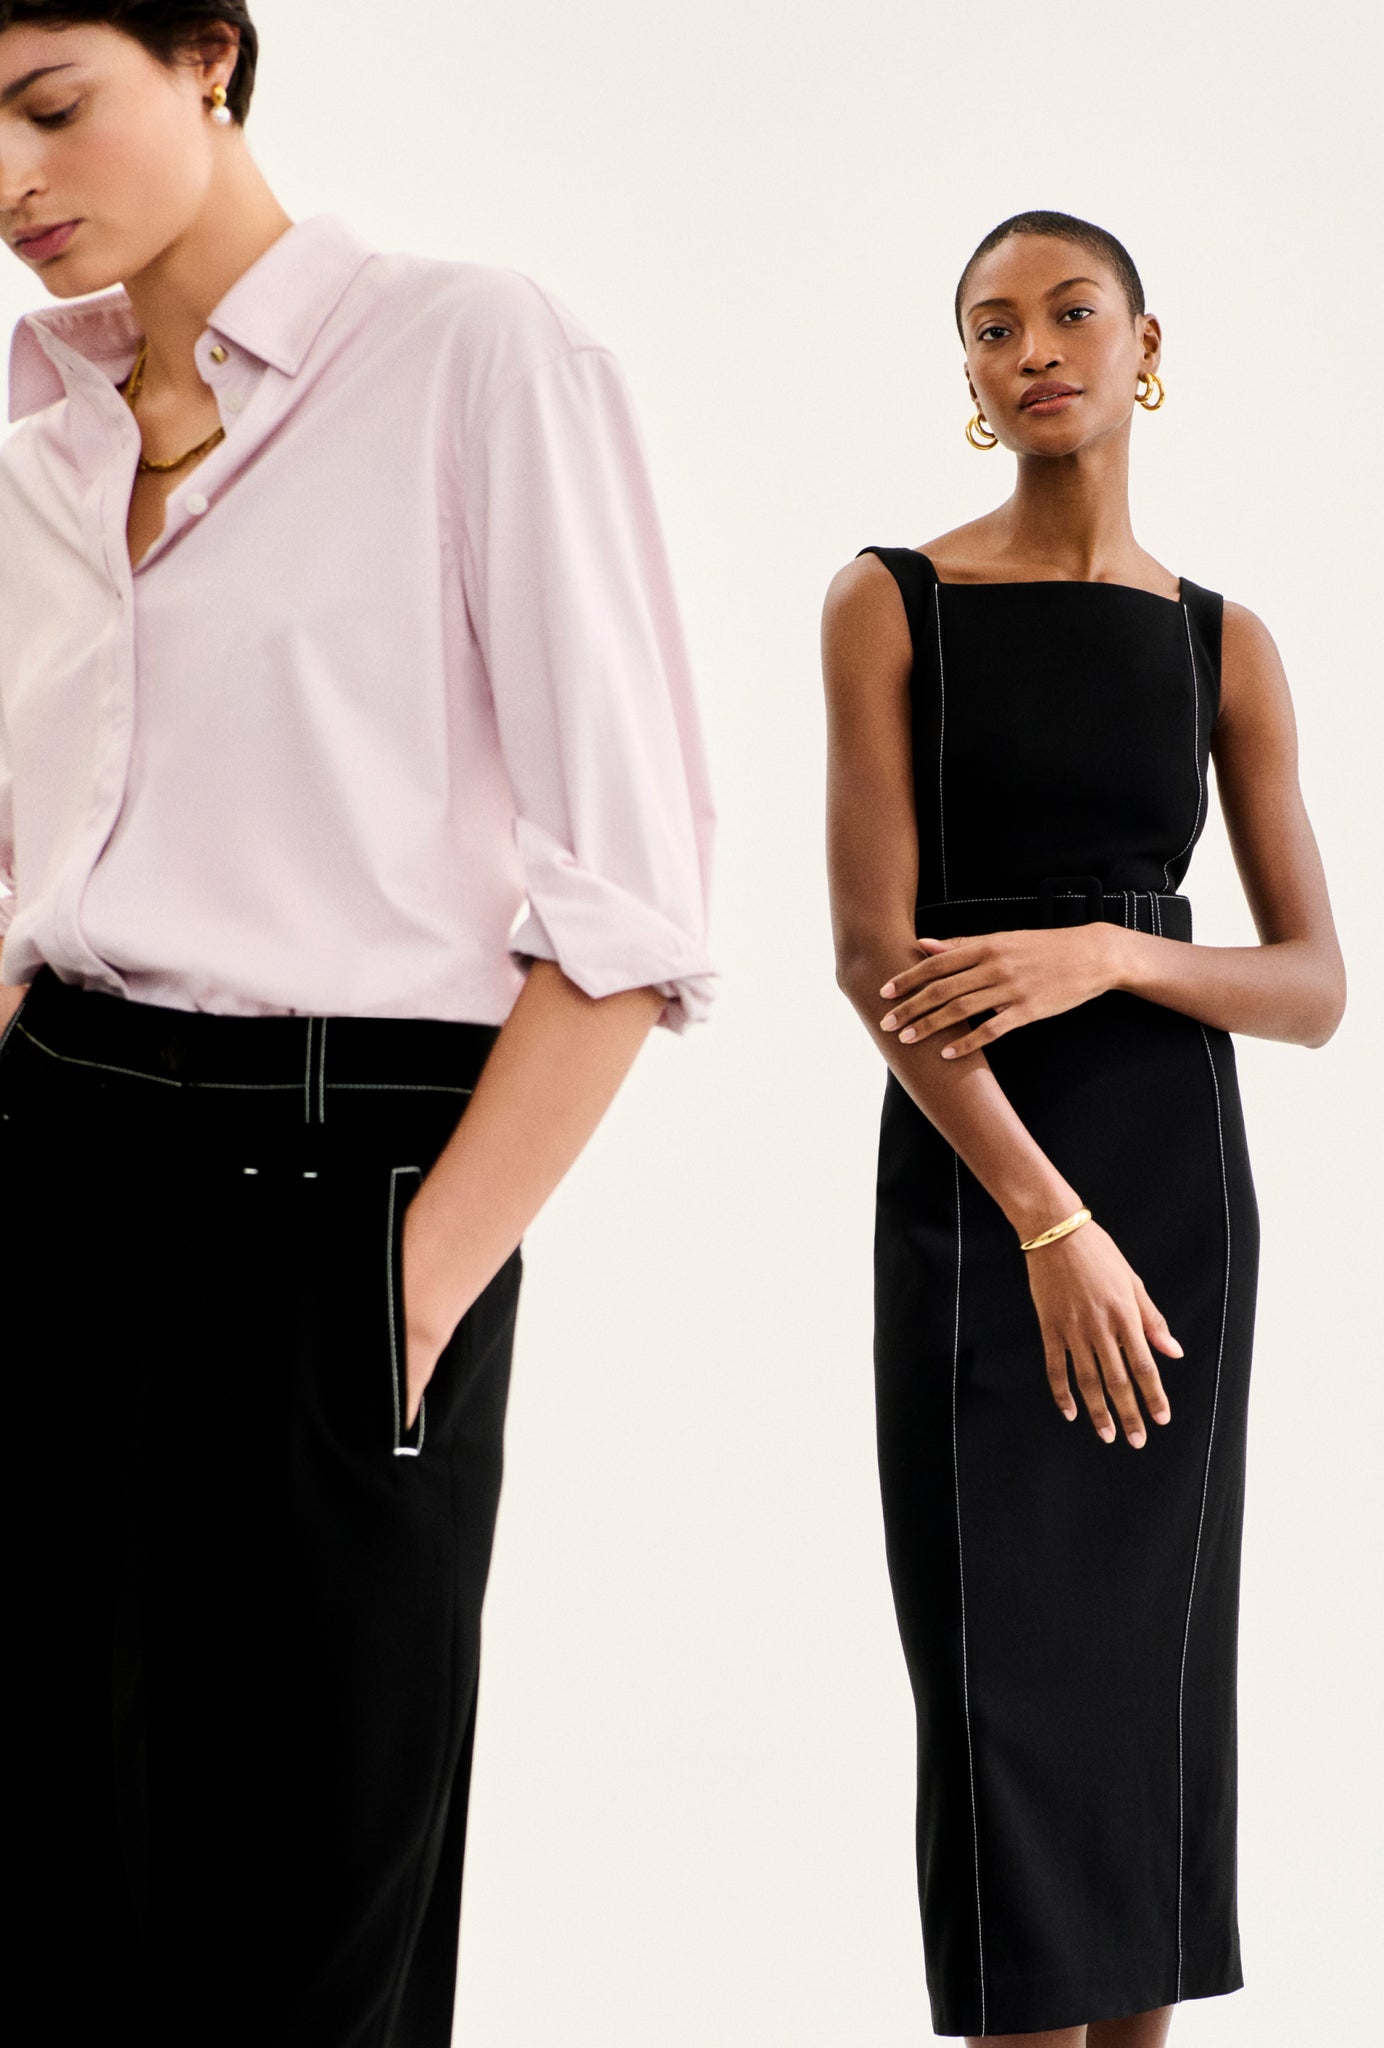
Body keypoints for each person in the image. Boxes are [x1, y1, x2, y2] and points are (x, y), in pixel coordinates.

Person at [0, 6, 714, 2041]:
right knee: (56, 1894)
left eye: (50, 107)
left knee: (302, 1926)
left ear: (209, 56)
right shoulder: (40, 448)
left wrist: (410, 1289)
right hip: (52, 1164)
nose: (10, 182)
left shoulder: (469, 354)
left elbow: (629, 899)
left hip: (334, 1181)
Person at [823, 210, 1345, 2045]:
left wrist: (1111, 951)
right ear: (969, 374)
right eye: (992, 326)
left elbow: (1312, 986)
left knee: (1148, 1684)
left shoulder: (1223, 643)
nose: (1032, 348)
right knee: (1006, 1693)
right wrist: (1049, 1226)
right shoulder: (891, 601)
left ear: (1145, 344)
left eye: (1069, 313)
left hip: (1179, 1188)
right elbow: (876, 963)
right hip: (985, 1194)